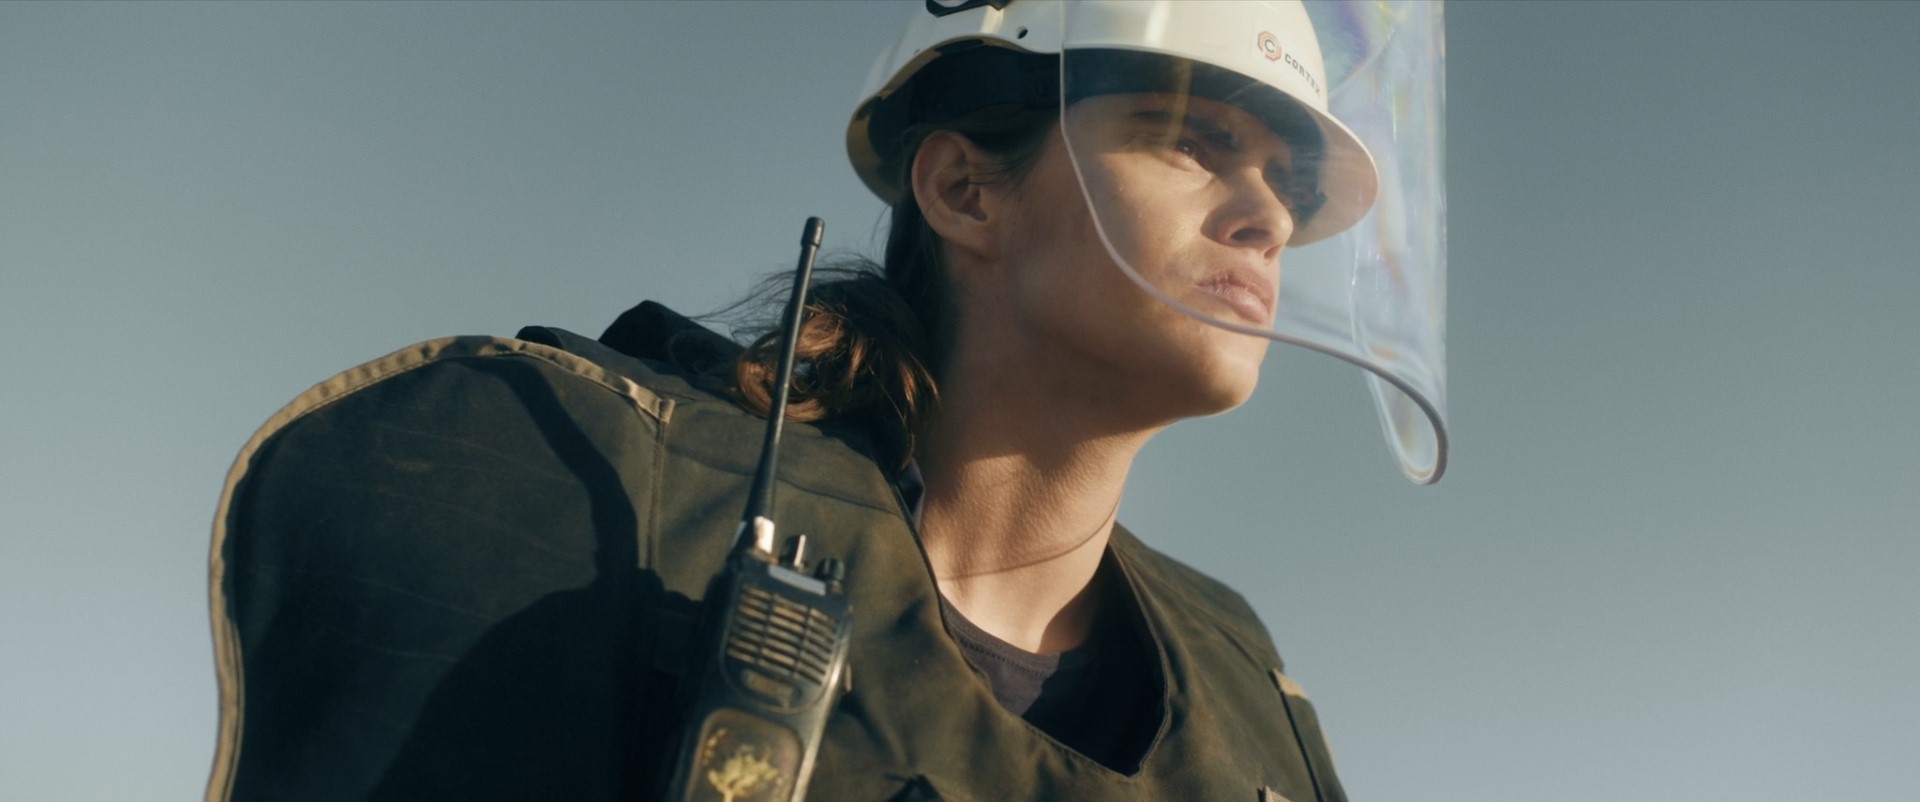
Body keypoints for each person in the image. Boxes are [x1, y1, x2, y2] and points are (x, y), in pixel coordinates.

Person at [205, 1, 1418, 800]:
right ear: (964, 191)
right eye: (1195, 141)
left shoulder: (1256, 709)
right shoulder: (580, 505)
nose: (1267, 217)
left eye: (1285, 181)